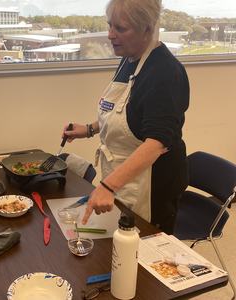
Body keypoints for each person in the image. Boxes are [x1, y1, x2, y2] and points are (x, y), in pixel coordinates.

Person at [64, 0, 189, 234]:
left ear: (147, 29)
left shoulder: (164, 72)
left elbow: (155, 143)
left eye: (121, 29)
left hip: (151, 187)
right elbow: (126, 114)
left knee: (141, 253)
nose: (111, 35)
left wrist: (108, 186)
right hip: (122, 178)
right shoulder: (129, 58)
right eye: (110, 25)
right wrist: (90, 129)